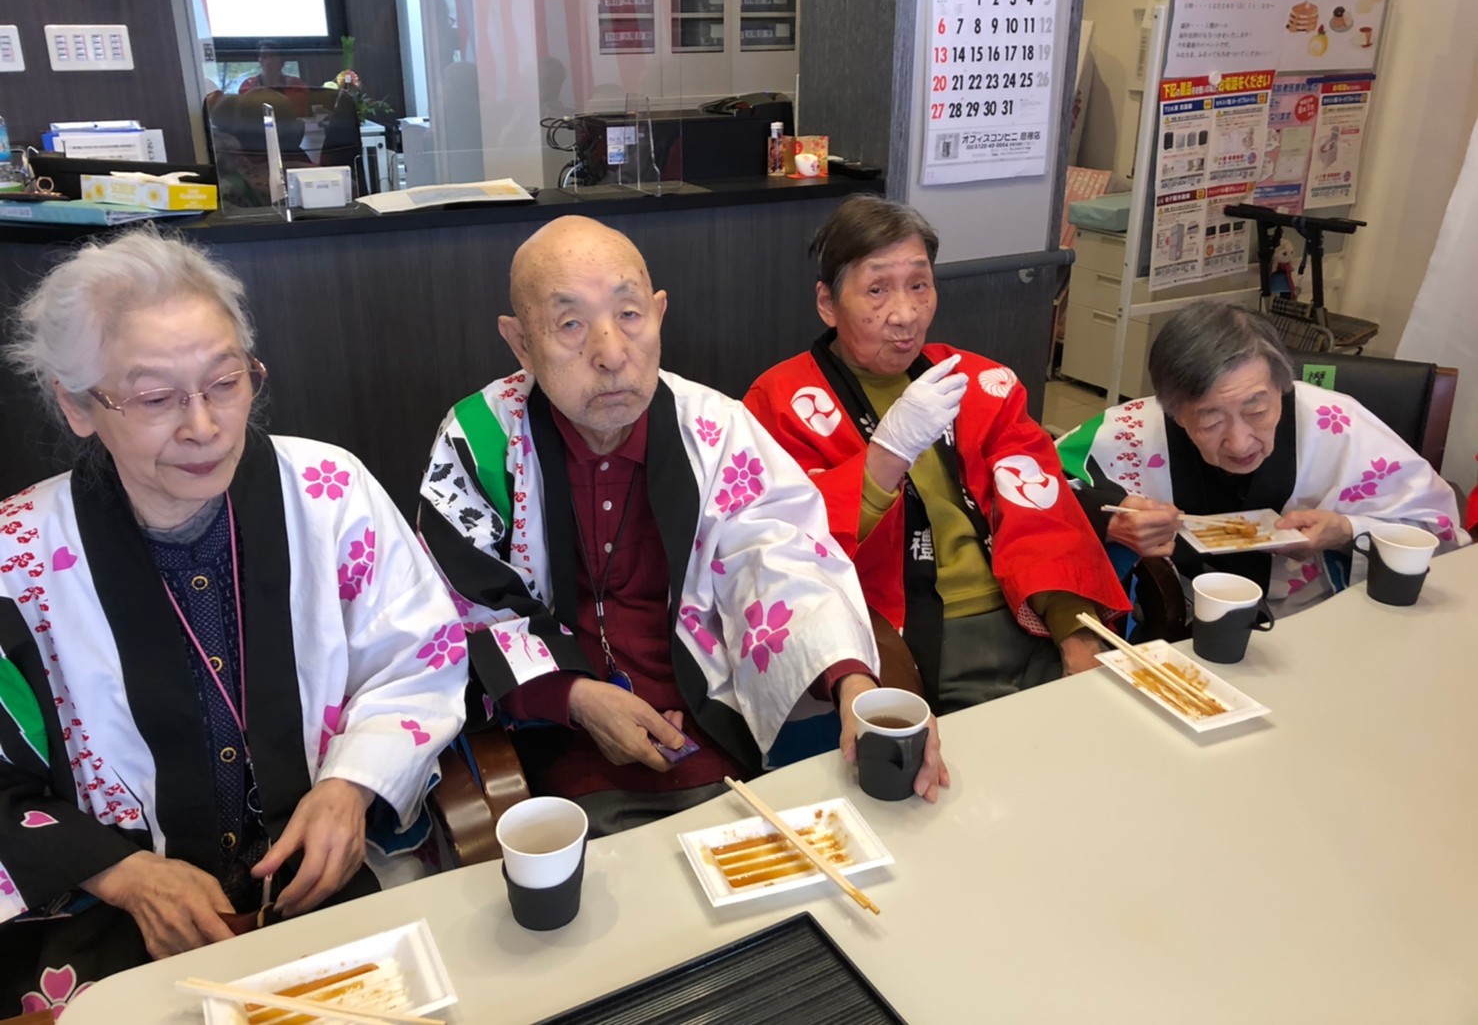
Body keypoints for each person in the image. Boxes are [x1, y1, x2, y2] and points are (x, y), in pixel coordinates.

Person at [0, 230, 465, 1012]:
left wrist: (351, 785)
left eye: (224, 382)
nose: (204, 426)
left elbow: (423, 655)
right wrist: (124, 875)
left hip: (321, 875)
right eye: (156, 399)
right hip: (107, 917)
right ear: (77, 405)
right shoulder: (16, 558)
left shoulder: (331, 492)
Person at [417, 215, 946, 837]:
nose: (611, 354)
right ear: (520, 342)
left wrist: (850, 680)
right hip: (555, 749)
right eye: (570, 324)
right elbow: (461, 604)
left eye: (630, 315)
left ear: (660, 313)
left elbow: (779, 558)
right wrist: (576, 698)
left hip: (710, 734)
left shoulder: (716, 431)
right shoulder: (479, 439)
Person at [744, 196, 1129, 715]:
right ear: (828, 303)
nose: (905, 315)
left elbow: (1041, 509)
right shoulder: (778, 402)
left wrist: (1075, 632)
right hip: (909, 639)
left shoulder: (983, 383)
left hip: (1028, 613)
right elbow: (786, 547)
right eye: (877, 289)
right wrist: (887, 455)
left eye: (919, 285)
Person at [1056, 301, 1469, 614]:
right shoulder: (1131, 429)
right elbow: (1037, 488)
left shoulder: (1337, 424)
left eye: (1256, 410)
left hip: (1320, 620)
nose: (1240, 443)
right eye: (1210, 419)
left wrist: (1346, 530)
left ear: (1283, 386)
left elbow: (1440, 529)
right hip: (1177, 625)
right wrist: (1110, 521)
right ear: (1173, 411)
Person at [237, 42, 306, 94]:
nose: (268, 61)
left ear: (282, 61)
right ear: (259, 60)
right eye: (264, 56)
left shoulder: (296, 86)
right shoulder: (248, 86)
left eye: (272, 56)